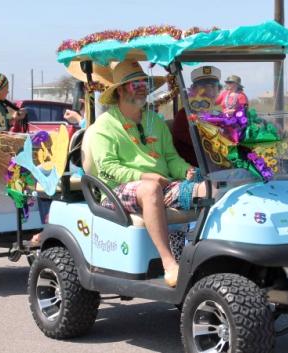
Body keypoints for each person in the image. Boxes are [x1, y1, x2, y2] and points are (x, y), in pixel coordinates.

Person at [88, 60, 207, 287]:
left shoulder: (155, 121)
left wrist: (188, 171)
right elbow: (108, 167)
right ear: (120, 90)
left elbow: (171, 159)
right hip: (115, 190)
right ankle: (169, 263)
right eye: (134, 83)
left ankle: (208, 258)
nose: (142, 86)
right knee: (151, 189)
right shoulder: (104, 125)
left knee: (208, 189)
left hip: (162, 185)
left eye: (143, 81)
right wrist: (145, 177)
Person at [172, 66, 222, 166]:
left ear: (219, 90)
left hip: (221, 167)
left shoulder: (219, 113)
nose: (209, 91)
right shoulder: (184, 115)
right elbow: (205, 145)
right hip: (198, 170)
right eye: (203, 86)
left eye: (213, 86)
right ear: (194, 89)